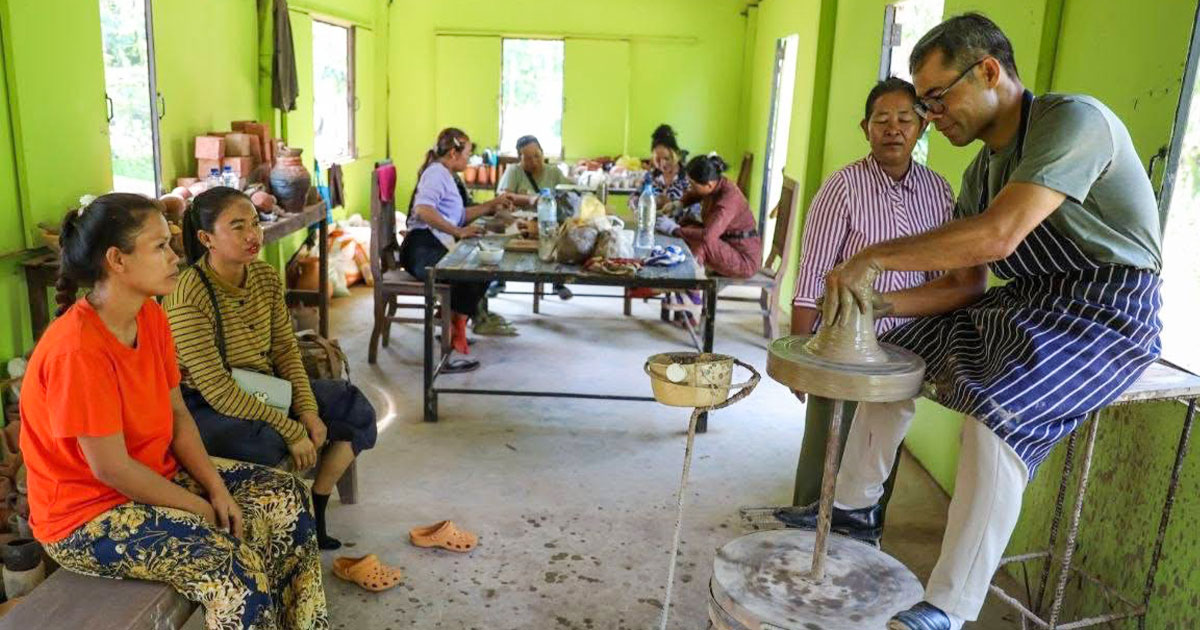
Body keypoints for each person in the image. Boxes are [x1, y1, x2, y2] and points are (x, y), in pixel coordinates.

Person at [783, 14, 1163, 630]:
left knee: (997, 414)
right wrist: (880, 307)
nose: (930, 116)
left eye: (935, 98)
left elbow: (998, 235)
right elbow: (965, 285)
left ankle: (948, 606)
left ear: (988, 71)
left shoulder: (1073, 123)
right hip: (1027, 303)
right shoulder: (982, 170)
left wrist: (873, 259)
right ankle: (852, 511)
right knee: (893, 359)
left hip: (1107, 312)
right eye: (924, 104)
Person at [20, 193, 327, 629]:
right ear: (117, 260)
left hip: (154, 474)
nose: (176, 257)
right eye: (161, 246)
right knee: (231, 568)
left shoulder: (150, 316)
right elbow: (111, 469)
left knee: (286, 495)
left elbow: (179, 415)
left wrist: (215, 489)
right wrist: (198, 507)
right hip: (85, 516)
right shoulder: (77, 350)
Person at [166, 187, 377, 551]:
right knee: (266, 443)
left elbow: (285, 349)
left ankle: (316, 505)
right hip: (206, 404)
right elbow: (217, 388)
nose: (253, 235)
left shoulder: (263, 276)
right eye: (237, 227)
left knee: (352, 405)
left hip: (265, 388)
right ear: (206, 239)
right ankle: (284, 514)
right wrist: (289, 427)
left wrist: (307, 411)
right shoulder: (188, 295)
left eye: (255, 223)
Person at [783, 77, 953, 522]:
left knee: (878, 462)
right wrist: (800, 355)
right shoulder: (842, 188)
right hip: (842, 351)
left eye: (905, 119)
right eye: (882, 120)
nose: (893, 129)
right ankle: (803, 542)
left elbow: (942, 280)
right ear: (865, 128)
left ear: (922, 127)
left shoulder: (939, 192)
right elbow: (812, 276)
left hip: (903, 354)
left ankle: (862, 536)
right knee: (826, 454)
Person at [402, 127, 516, 371]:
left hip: (431, 243)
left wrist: (492, 204)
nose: (469, 159)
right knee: (467, 273)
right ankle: (452, 342)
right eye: (467, 154)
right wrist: (458, 231)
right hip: (420, 247)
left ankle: (455, 327)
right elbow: (423, 209)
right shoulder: (436, 173)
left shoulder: (447, 175)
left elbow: (460, 214)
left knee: (482, 268)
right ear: (453, 153)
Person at [493, 134, 573, 300]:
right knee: (504, 234)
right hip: (519, 222)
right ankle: (499, 279)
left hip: (548, 223)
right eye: (528, 158)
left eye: (537, 155)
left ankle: (558, 282)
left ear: (543, 153)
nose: (534, 162)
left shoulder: (554, 172)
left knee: (561, 237)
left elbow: (569, 195)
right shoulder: (514, 171)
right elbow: (503, 197)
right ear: (519, 158)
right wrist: (529, 200)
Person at [658, 154, 762, 279]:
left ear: (709, 185)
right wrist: (679, 203)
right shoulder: (715, 184)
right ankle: (691, 268)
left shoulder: (728, 200)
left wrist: (674, 229)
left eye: (693, 184)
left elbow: (708, 236)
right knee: (687, 223)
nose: (690, 187)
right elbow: (696, 193)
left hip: (744, 260)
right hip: (725, 243)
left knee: (702, 241)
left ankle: (691, 278)